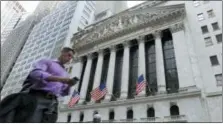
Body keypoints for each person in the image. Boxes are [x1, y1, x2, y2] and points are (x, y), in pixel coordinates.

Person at [0, 47, 78, 123]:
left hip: (53, 103)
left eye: (71, 57)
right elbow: (35, 74)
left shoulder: (66, 73)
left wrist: (69, 85)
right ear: (62, 52)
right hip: (37, 97)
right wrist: (60, 79)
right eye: (69, 55)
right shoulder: (47, 61)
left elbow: (64, 93)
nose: (70, 58)